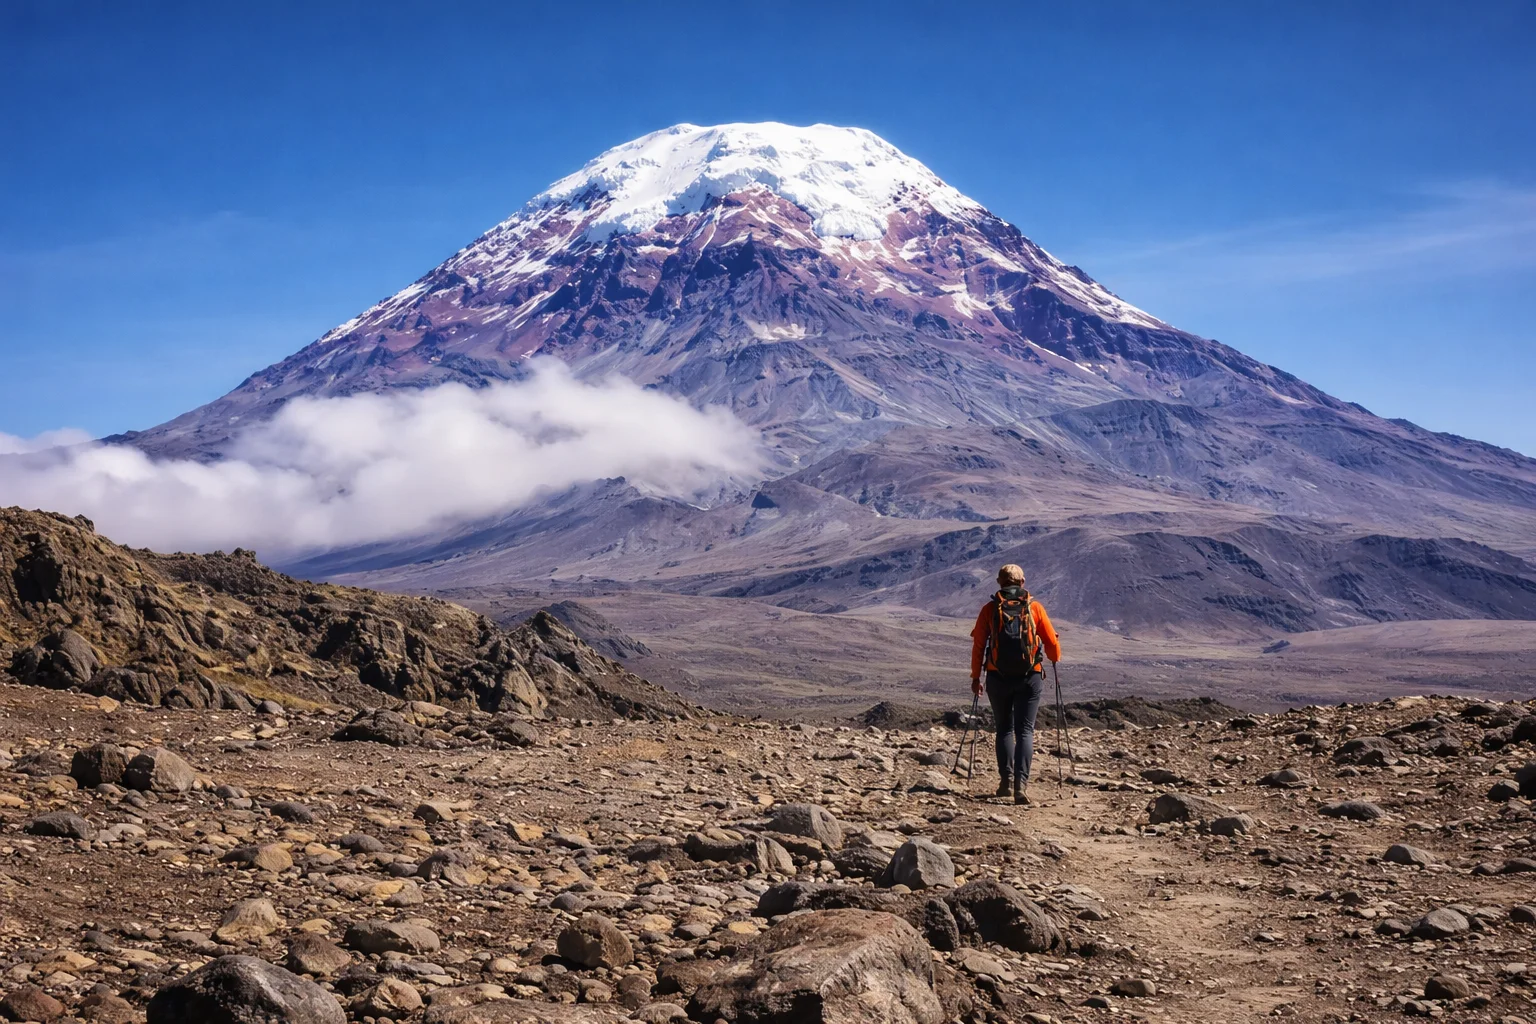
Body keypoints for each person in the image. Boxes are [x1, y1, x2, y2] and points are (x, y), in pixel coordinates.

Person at [969, 564, 1061, 804]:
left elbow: (979, 645)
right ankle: (1021, 786)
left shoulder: (990, 609)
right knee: (1025, 731)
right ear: (1022, 582)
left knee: (1004, 729)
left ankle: (1005, 784)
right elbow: (1052, 644)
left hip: (997, 677)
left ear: (999, 583)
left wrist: (976, 677)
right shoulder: (1034, 608)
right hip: (1030, 677)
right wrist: (1054, 658)